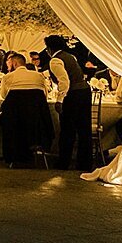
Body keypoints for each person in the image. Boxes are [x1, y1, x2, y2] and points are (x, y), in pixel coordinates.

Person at [46, 34, 93, 171]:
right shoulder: (71, 56)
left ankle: (63, 162)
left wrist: (59, 100)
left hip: (73, 95)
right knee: (84, 129)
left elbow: (64, 81)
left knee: (67, 130)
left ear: (49, 48)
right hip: (85, 92)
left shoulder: (55, 61)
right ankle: (85, 163)